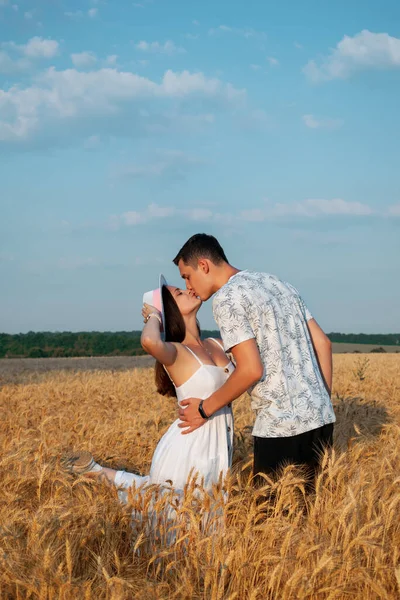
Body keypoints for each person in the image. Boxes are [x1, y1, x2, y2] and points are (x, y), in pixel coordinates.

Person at [174, 233, 336, 485]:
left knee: (270, 520)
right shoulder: (278, 283)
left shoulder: (226, 298)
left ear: (203, 266)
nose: (188, 287)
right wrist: (320, 401)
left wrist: (204, 409)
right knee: (312, 516)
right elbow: (324, 344)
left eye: (187, 276)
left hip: (279, 426)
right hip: (321, 418)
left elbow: (250, 370)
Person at [62, 274, 234, 498]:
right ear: (168, 310)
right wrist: (154, 315)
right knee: (180, 513)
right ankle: (95, 472)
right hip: (192, 447)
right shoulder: (176, 352)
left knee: (198, 514)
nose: (188, 290)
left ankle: (95, 471)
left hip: (219, 443)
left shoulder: (216, 344)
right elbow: (150, 341)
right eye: (179, 293)